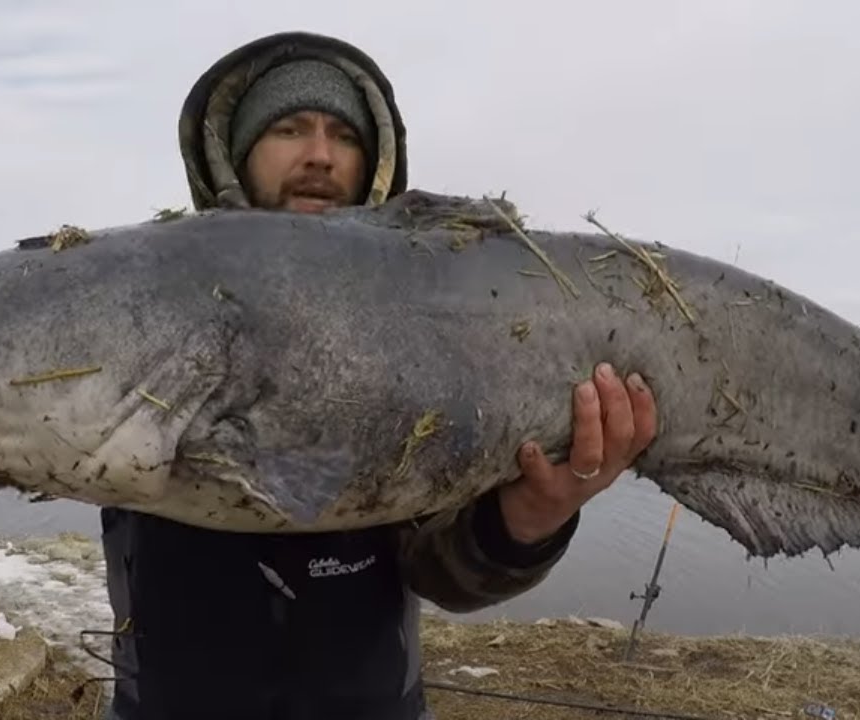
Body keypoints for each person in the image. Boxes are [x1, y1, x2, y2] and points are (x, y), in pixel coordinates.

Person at [99, 31, 659, 720]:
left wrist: (529, 520)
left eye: (344, 135)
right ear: (238, 150)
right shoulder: (144, 296)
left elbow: (445, 575)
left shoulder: (435, 329)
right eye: (289, 127)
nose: (320, 154)